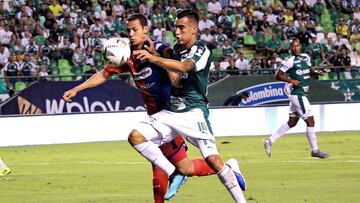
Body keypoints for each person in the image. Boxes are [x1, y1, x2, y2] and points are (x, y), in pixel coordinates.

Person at [63, 13, 217, 203]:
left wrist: (155, 55)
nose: (131, 34)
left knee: (169, 169)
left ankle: (223, 170)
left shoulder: (158, 47)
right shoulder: (127, 54)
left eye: (135, 30)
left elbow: (175, 63)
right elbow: (104, 74)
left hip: (172, 115)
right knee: (183, 168)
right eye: (128, 30)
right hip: (155, 117)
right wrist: (77, 89)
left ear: (146, 29)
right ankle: (227, 169)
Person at [131, 9, 247, 202]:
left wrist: (153, 58)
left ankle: (236, 181)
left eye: (181, 27)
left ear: (194, 29)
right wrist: (155, 51)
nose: (176, 32)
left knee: (213, 161)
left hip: (195, 112)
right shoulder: (177, 48)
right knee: (136, 136)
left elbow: (185, 66)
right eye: (175, 27)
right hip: (171, 111)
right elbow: (172, 64)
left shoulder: (201, 50)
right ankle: (175, 173)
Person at [263, 39, 329, 159]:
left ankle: (269, 140)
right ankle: (315, 150)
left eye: (297, 45)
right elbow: (277, 75)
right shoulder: (289, 61)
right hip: (298, 94)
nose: (295, 48)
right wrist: (291, 80)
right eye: (293, 46)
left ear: (300, 47)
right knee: (310, 121)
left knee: (292, 122)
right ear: (290, 48)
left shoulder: (305, 57)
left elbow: (309, 70)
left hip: (300, 94)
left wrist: (316, 73)